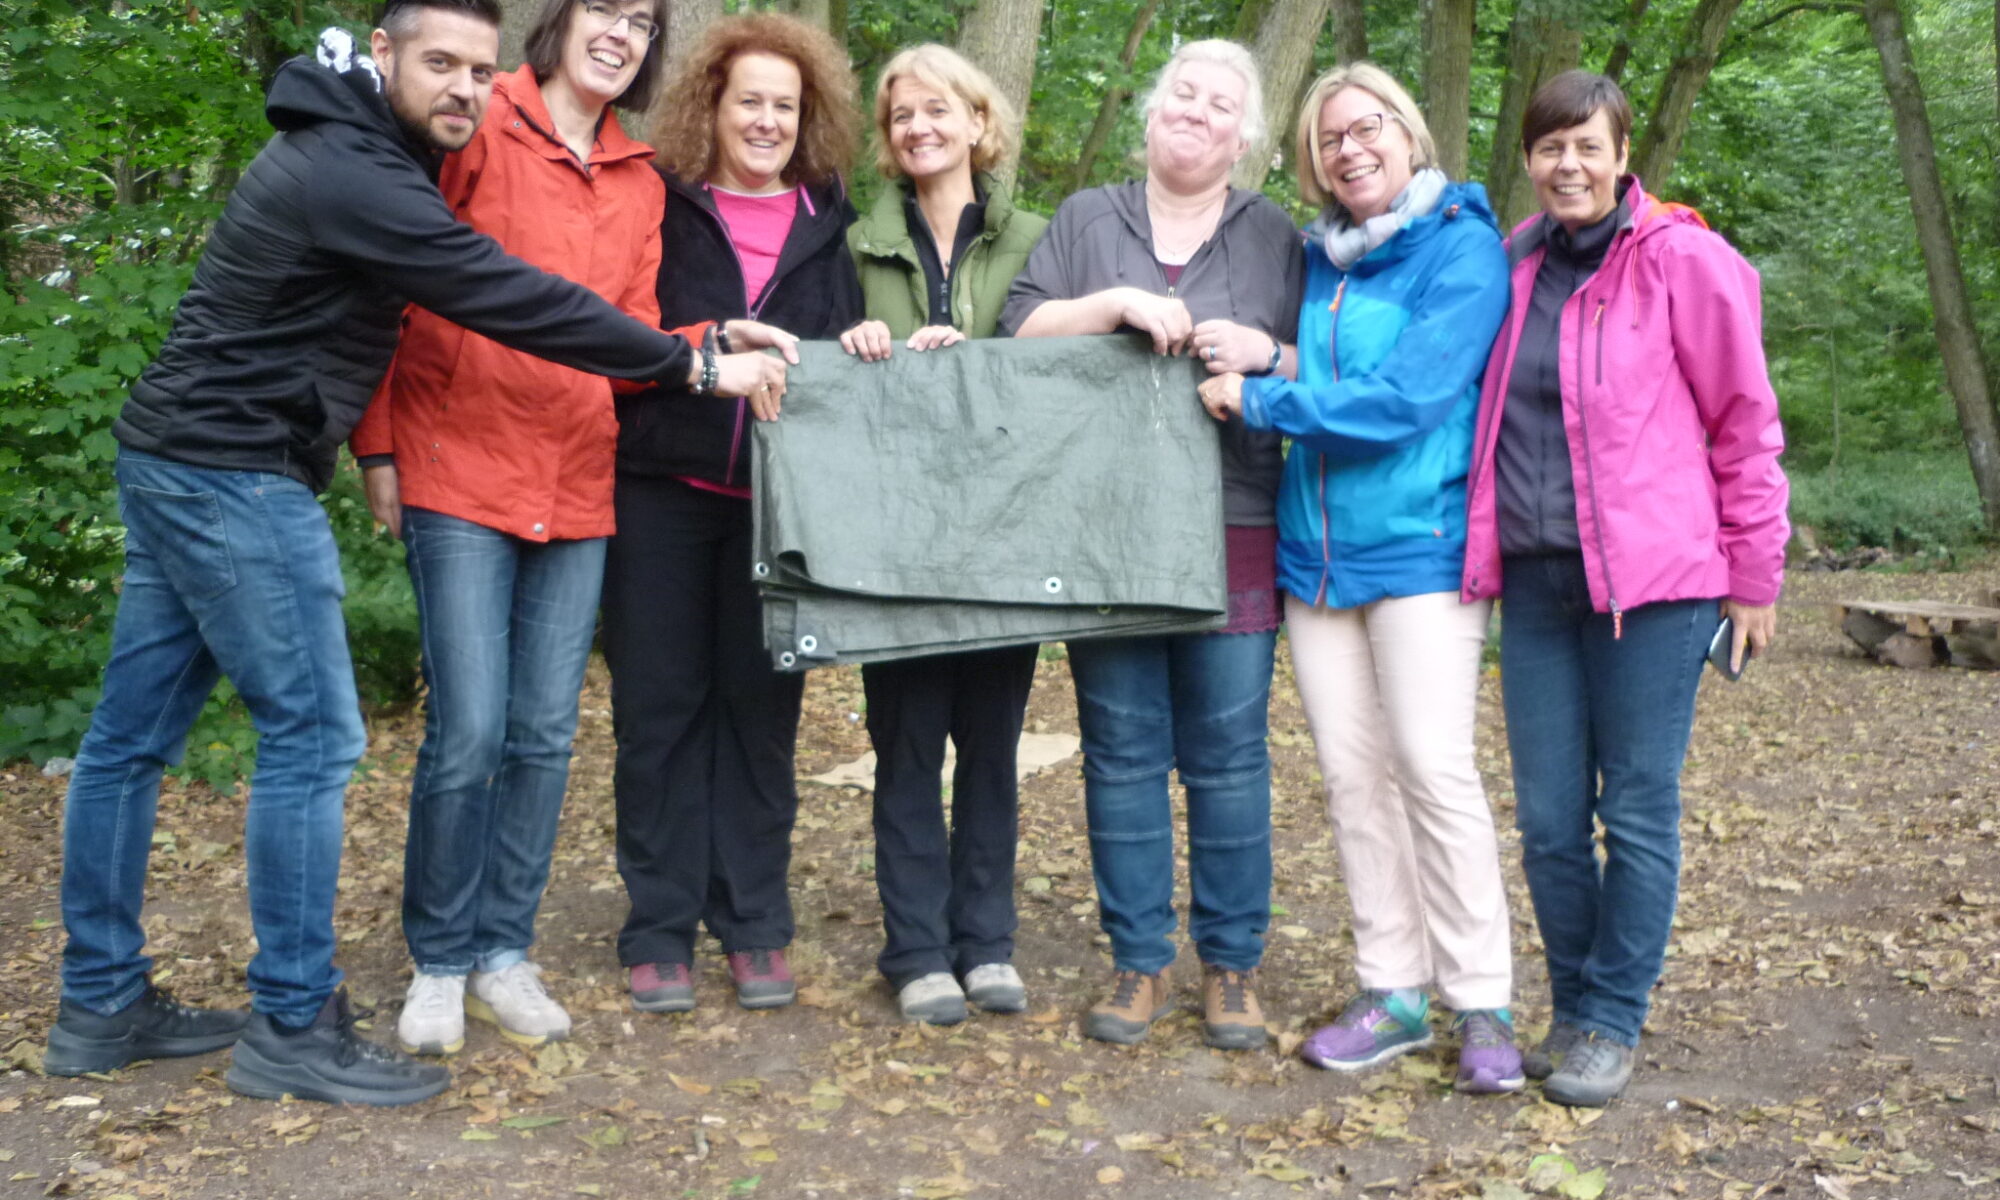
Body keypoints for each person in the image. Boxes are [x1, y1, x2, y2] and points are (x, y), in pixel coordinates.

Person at [45, 0, 786, 1107]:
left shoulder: (363, 149)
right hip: (236, 471)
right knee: (313, 741)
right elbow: (502, 291)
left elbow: (582, 303)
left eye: (478, 71)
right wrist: (690, 371)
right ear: (381, 53)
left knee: (126, 742)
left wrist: (694, 341)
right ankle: (294, 1021)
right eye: (439, 63)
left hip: (183, 455)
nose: (462, 89)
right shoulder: (359, 171)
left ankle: (100, 1003)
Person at [351, 0, 793, 1058]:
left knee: (546, 734)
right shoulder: (479, 121)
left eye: (641, 20)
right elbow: (392, 286)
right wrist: (377, 445)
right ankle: (439, 959)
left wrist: (710, 338)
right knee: (469, 731)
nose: (620, 32)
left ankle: (503, 950)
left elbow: (631, 340)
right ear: (561, 18)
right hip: (462, 465)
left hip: (580, 475)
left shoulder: (639, 177)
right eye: (604, 7)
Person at [1460, 70, 1790, 1107]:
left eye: (1586, 147)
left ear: (1620, 155)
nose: (1568, 166)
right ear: (1529, 158)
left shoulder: (1682, 259)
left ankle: (1612, 1017)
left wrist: (1754, 575)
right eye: (1549, 147)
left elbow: (1745, 422)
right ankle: (1572, 1005)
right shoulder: (1509, 264)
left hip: (1656, 588)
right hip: (1535, 585)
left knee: (1635, 812)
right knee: (1549, 821)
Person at [1196, 63, 1518, 1090]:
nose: (1350, 149)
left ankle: (1483, 1002)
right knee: (1351, 778)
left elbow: (1405, 399)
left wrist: (1260, 398)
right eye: (1329, 139)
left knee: (1432, 766)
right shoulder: (1318, 259)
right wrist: (1274, 355)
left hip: (1418, 548)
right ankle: (1393, 992)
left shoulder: (1462, 248)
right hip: (1315, 558)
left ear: (1407, 133)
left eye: (1366, 127)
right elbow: (1331, 368)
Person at [999, 40, 1303, 1051]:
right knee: (1122, 751)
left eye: (1220, 104)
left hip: (1233, 520)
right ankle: (1139, 961)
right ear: (1153, 108)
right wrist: (1112, 307)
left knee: (1227, 757)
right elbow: (1016, 332)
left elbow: (1325, 360)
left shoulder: (1275, 236)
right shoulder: (1089, 219)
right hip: (1105, 525)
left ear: (1243, 138)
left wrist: (1265, 355)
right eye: (1183, 92)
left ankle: (1231, 965)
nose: (1196, 111)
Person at [604, 12, 862, 1014]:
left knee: (760, 719)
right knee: (658, 713)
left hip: (776, 513)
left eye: (784, 106)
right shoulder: (660, 203)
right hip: (661, 492)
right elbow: (621, 332)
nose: (766, 121)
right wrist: (706, 346)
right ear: (710, 106)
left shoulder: (830, 222)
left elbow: (843, 360)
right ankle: (658, 928)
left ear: (807, 118)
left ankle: (754, 923)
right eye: (749, 101)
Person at [837, 44, 1049, 1024]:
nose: (918, 128)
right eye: (901, 116)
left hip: (1005, 535)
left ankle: (987, 943)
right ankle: (917, 950)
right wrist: (856, 346)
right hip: (895, 540)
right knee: (908, 744)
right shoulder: (853, 245)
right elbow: (816, 370)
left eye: (936, 110)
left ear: (976, 122)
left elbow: (1064, 373)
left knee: (991, 747)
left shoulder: (1040, 241)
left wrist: (981, 363)